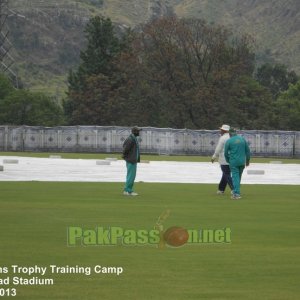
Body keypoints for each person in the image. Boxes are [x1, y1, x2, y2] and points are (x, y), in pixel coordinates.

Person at [224, 128, 251, 200]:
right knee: (238, 177)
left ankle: (236, 194)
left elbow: (225, 153)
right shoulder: (242, 139)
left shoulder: (229, 141)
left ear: (230, 134)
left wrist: (228, 160)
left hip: (233, 162)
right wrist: (247, 161)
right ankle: (236, 191)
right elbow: (248, 151)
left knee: (235, 177)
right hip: (242, 162)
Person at [211, 124, 234, 195]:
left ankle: (234, 189)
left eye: (221, 130)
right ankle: (221, 189)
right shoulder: (232, 137)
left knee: (226, 174)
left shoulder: (223, 138)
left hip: (224, 159)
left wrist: (214, 157)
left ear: (224, 131)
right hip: (232, 159)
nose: (220, 131)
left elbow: (218, 148)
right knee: (225, 174)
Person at [122, 126, 141, 196]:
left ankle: (128, 190)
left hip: (133, 160)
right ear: (135, 132)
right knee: (131, 176)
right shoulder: (130, 139)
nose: (139, 132)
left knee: (131, 176)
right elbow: (125, 149)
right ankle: (127, 190)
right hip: (131, 160)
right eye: (138, 131)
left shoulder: (133, 138)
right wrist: (125, 156)